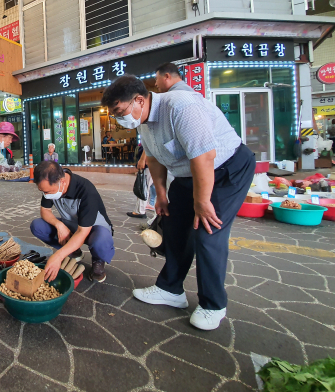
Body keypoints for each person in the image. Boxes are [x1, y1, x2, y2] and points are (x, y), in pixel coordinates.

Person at [101, 75, 254, 331]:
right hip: (187, 174)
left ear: (139, 100)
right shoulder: (144, 121)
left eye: (119, 111)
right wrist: (161, 196)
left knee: (207, 232)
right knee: (173, 225)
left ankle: (213, 305)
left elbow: (204, 157)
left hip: (225, 169)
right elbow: (155, 159)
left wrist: (202, 201)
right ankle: (171, 289)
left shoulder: (181, 107)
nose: (119, 118)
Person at [31, 161, 114, 283]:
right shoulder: (50, 184)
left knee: (100, 240)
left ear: (62, 182)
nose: (45, 195)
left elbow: (82, 231)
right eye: (43, 192)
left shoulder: (86, 190)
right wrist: (59, 225)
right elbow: (45, 210)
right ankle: (74, 251)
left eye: (47, 192)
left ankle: (98, 259)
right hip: (71, 225)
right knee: (37, 226)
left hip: (94, 229)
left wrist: (58, 256)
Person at [127, 145, 152, 218]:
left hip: (149, 163)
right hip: (153, 162)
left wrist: (142, 159)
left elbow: (148, 145)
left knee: (143, 186)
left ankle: (140, 211)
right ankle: (147, 205)